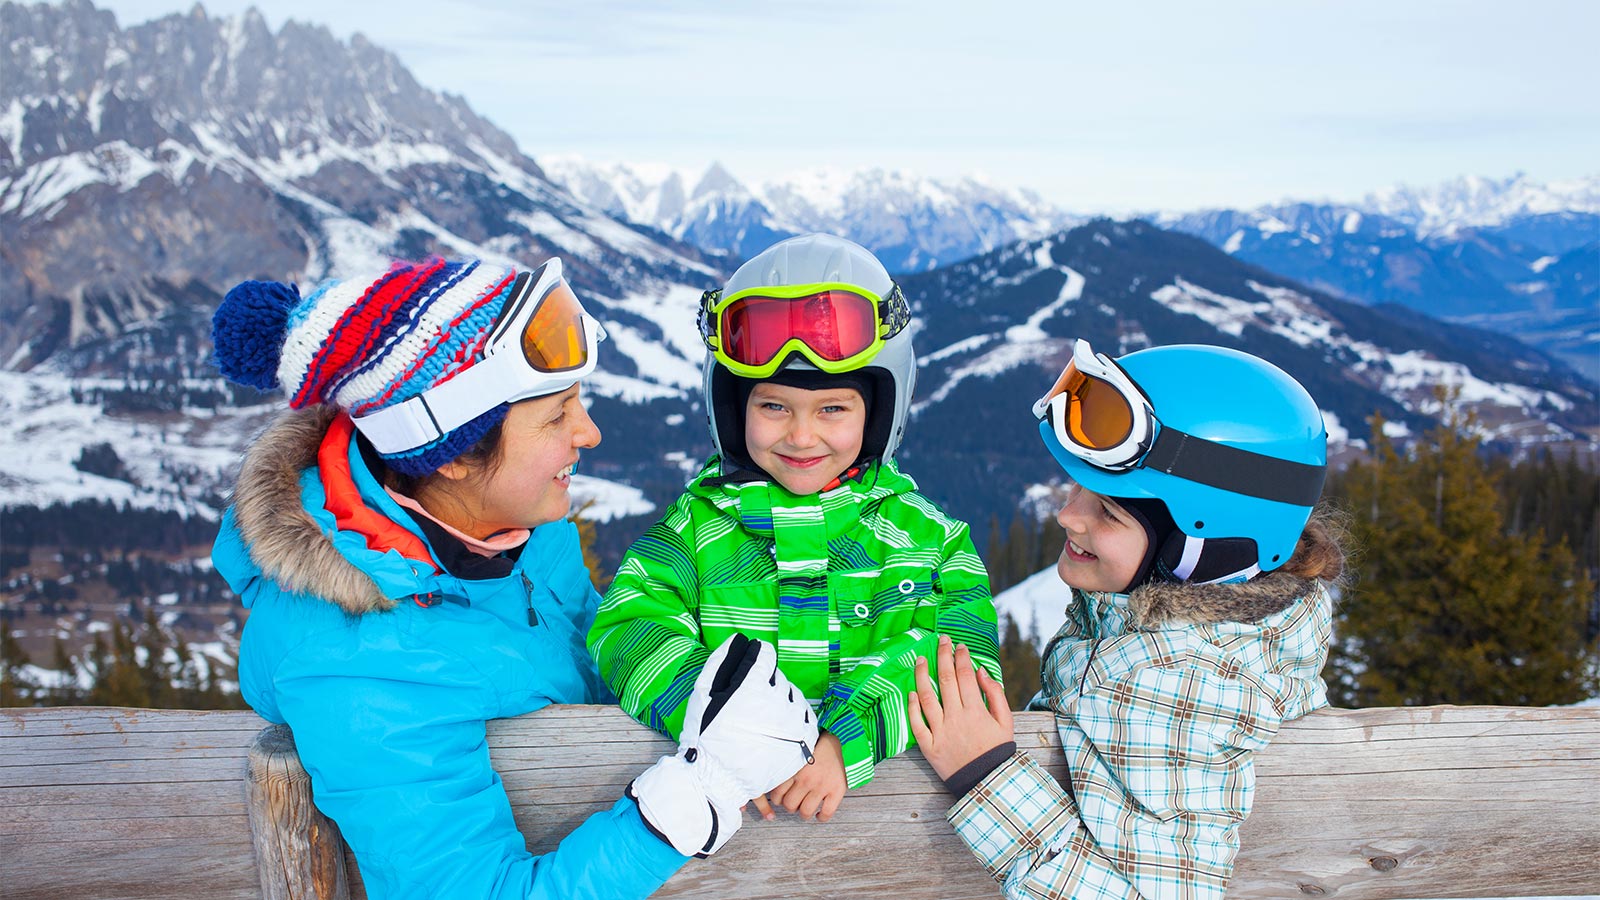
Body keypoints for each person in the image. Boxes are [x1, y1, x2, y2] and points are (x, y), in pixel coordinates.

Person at [209, 257, 817, 900]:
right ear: (452, 460)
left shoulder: (514, 520)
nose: (589, 432)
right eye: (556, 416)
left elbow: (585, 648)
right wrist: (703, 788)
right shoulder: (361, 668)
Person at [909, 339, 1346, 900]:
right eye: (1078, 488)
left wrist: (986, 774)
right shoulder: (1230, 630)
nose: (1068, 514)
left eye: (1109, 510)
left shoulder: (1172, 682)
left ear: (1198, 547)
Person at [588, 234, 1003, 824]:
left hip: (885, 848)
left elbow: (960, 658)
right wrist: (728, 723)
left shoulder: (929, 542)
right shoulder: (696, 532)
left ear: (879, 412)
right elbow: (627, 629)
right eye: (773, 407)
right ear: (732, 408)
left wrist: (844, 739)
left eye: (833, 409)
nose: (801, 436)